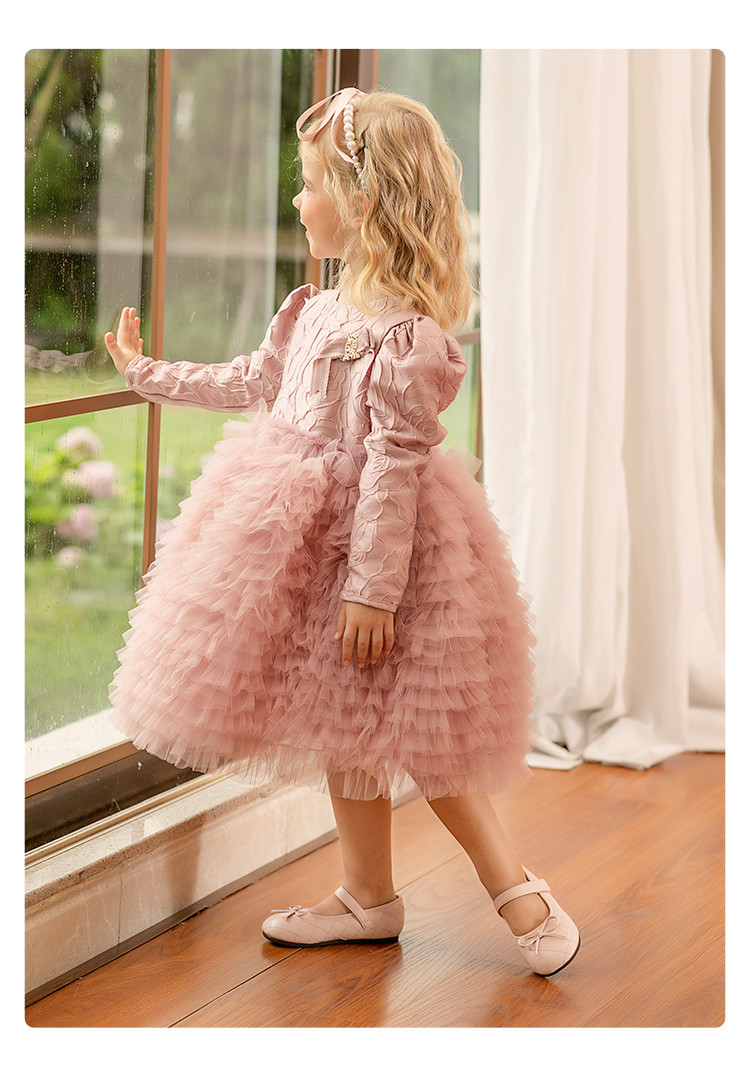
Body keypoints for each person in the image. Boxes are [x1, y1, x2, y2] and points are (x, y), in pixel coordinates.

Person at [105, 87, 580, 978]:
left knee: (424, 736)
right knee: (341, 722)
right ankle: (368, 895)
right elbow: (255, 380)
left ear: (361, 202)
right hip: (296, 544)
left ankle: (517, 890)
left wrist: (372, 590)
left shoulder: (407, 339)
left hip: (384, 558)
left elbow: (393, 468)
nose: (299, 198)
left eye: (312, 183)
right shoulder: (314, 305)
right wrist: (148, 374)